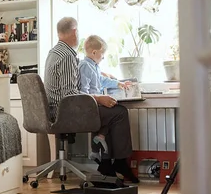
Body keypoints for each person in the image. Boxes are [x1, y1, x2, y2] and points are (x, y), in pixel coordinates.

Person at [44, 17, 139, 182]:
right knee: (119, 113)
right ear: (75, 32)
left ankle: (108, 162)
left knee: (111, 111)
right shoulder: (67, 55)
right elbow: (70, 94)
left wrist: (104, 77)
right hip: (64, 112)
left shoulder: (55, 52)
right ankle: (117, 162)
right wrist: (98, 98)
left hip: (54, 109)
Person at [78, 35, 132, 160]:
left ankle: (100, 140)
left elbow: (101, 80)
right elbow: (82, 92)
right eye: (102, 54)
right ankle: (99, 149)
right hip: (90, 105)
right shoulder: (85, 66)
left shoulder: (94, 66)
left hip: (96, 102)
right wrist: (99, 98)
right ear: (94, 52)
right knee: (118, 112)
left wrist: (119, 84)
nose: (103, 57)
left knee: (114, 108)